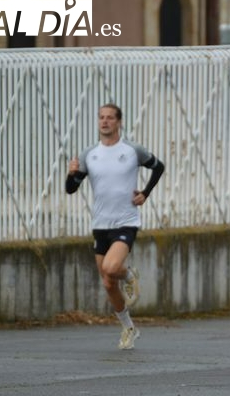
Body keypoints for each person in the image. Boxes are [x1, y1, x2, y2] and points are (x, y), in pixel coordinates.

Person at [65, 104, 165, 350]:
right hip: (100, 224)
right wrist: (70, 174)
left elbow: (158, 167)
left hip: (126, 221)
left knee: (112, 268)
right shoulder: (89, 154)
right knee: (108, 282)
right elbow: (71, 188)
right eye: (101, 117)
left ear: (119, 122)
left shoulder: (132, 150)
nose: (105, 122)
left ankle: (129, 275)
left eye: (110, 118)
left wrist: (146, 193)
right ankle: (128, 328)